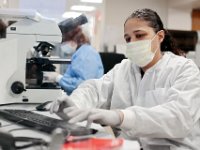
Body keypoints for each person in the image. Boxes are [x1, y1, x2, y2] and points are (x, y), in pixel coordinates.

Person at [48, 8, 200, 150]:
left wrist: (121, 116)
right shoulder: (124, 68)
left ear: (160, 36)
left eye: (139, 35)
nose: (132, 42)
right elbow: (94, 89)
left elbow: (179, 118)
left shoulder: (184, 69)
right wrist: (74, 104)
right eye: (128, 39)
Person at [44, 18, 104, 95]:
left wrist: (58, 78)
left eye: (65, 41)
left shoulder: (87, 53)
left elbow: (84, 85)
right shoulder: (80, 53)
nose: (63, 45)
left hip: (85, 101)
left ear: (75, 38)